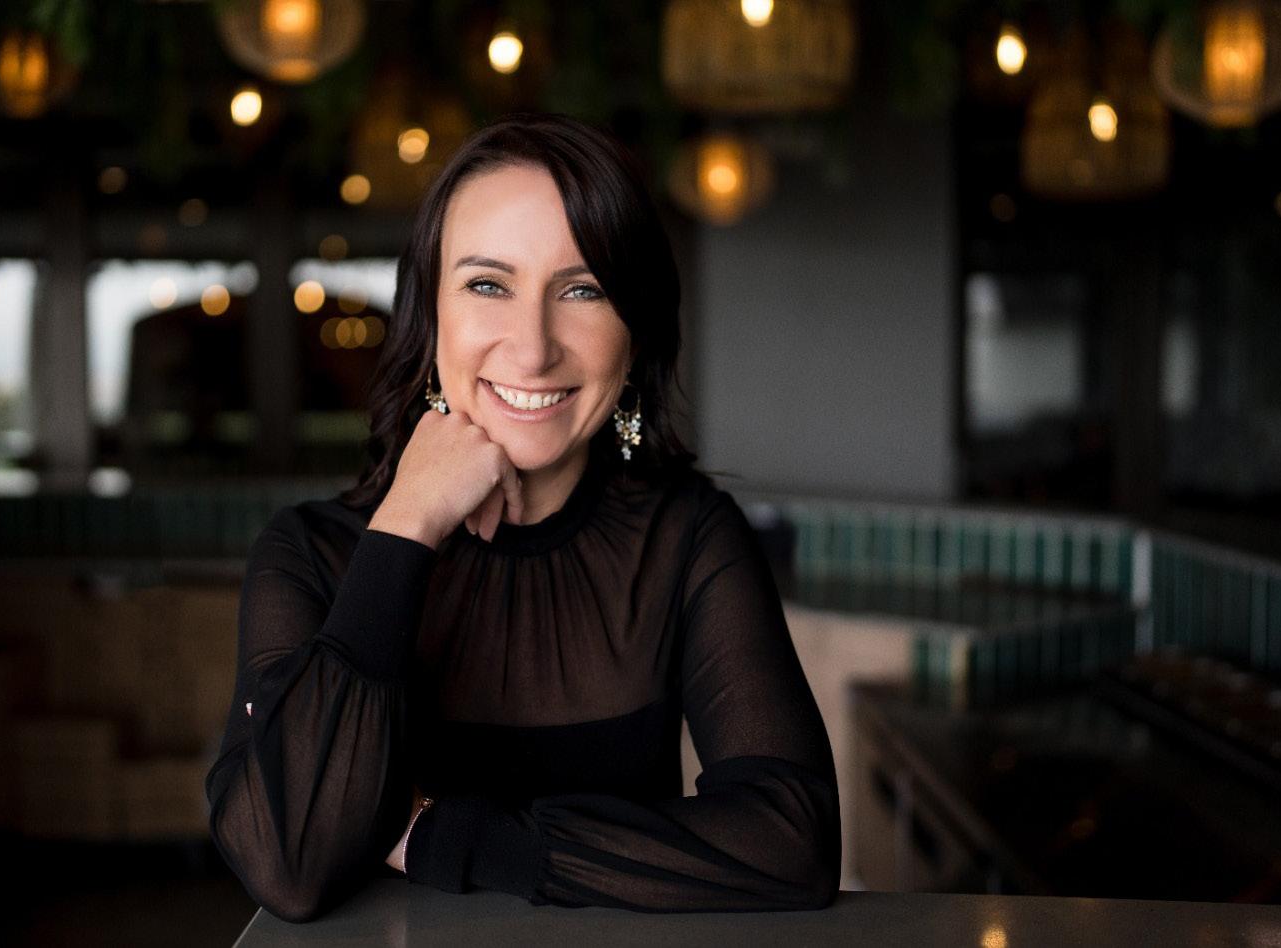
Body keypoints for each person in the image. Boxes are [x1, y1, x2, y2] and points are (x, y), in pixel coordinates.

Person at [204, 113, 840, 923]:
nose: (534, 349)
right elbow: (287, 862)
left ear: (634, 332)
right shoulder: (311, 554)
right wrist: (408, 522)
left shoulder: (686, 538)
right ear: (430, 315)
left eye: (582, 290)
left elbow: (794, 843)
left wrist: (455, 839)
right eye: (487, 285)